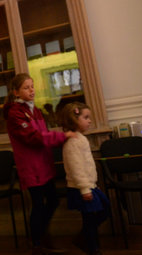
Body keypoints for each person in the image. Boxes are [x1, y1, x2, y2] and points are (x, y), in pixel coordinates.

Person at [3, 73, 75, 255]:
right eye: (26, 87)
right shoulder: (15, 113)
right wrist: (62, 137)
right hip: (31, 167)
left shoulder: (36, 110)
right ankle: (37, 242)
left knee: (52, 201)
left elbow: (44, 135)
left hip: (44, 164)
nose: (31, 90)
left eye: (32, 86)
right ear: (16, 92)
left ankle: (41, 236)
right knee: (39, 204)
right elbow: (33, 138)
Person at [60, 102, 110, 255]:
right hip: (81, 187)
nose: (89, 121)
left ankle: (84, 238)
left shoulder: (81, 138)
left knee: (105, 209)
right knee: (89, 218)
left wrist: (93, 184)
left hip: (90, 185)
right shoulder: (72, 142)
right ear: (74, 120)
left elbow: (86, 165)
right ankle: (92, 247)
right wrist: (85, 188)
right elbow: (77, 169)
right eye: (86, 117)